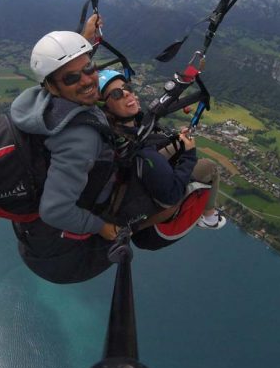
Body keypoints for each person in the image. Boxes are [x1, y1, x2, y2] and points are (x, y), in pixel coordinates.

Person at [8, 25, 122, 284]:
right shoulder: (80, 138)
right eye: (71, 79)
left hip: (32, 239)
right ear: (52, 86)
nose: (86, 80)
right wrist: (101, 228)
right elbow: (55, 211)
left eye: (89, 68)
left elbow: (66, 69)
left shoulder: (35, 103)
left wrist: (81, 38)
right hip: (64, 258)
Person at [97, 69, 226, 245]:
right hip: (154, 222)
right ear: (106, 107)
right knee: (209, 167)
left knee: (178, 146)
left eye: (127, 87)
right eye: (117, 94)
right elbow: (172, 195)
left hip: (135, 182)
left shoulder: (119, 132)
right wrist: (189, 155)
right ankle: (209, 216)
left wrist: (175, 142)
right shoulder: (140, 149)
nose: (127, 93)